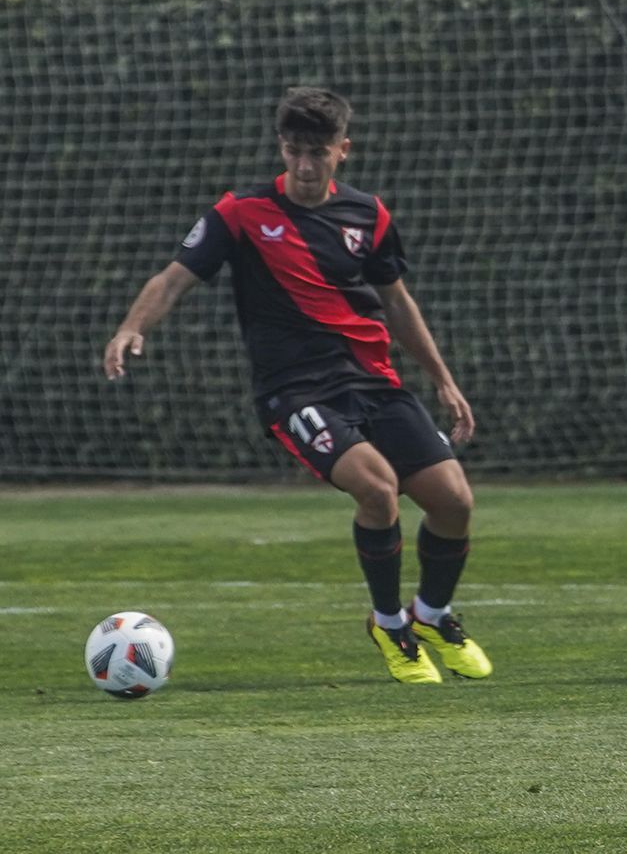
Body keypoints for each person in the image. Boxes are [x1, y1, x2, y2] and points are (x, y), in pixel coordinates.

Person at [103, 87, 489, 685]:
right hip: (296, 391)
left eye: (318, 152)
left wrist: (443, 379)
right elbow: (174, 278)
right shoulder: (240, 213)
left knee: (454, 501)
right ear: (281, 148)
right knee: (377, 488)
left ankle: (432, 615)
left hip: (373, 382)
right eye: (293, 151)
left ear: (343, 150)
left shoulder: (369, 216)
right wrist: (132, 327)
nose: (305, 166)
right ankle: (390, 625)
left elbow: (397, 302)